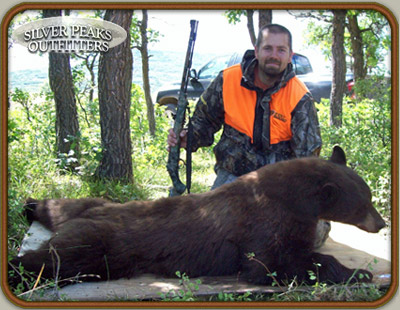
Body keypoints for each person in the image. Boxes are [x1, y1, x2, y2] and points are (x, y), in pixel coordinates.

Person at [167, 24, 329, 248]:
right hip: (234, 177)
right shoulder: (227, 80)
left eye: (281, 50)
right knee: (210, 232)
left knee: (306, 239)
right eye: (268, 48)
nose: (274, 55)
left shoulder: (300, 97)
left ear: (290, 55)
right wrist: (187, 138)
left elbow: (309, 162)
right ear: (256, 49)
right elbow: (204, 123)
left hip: (280, 185)